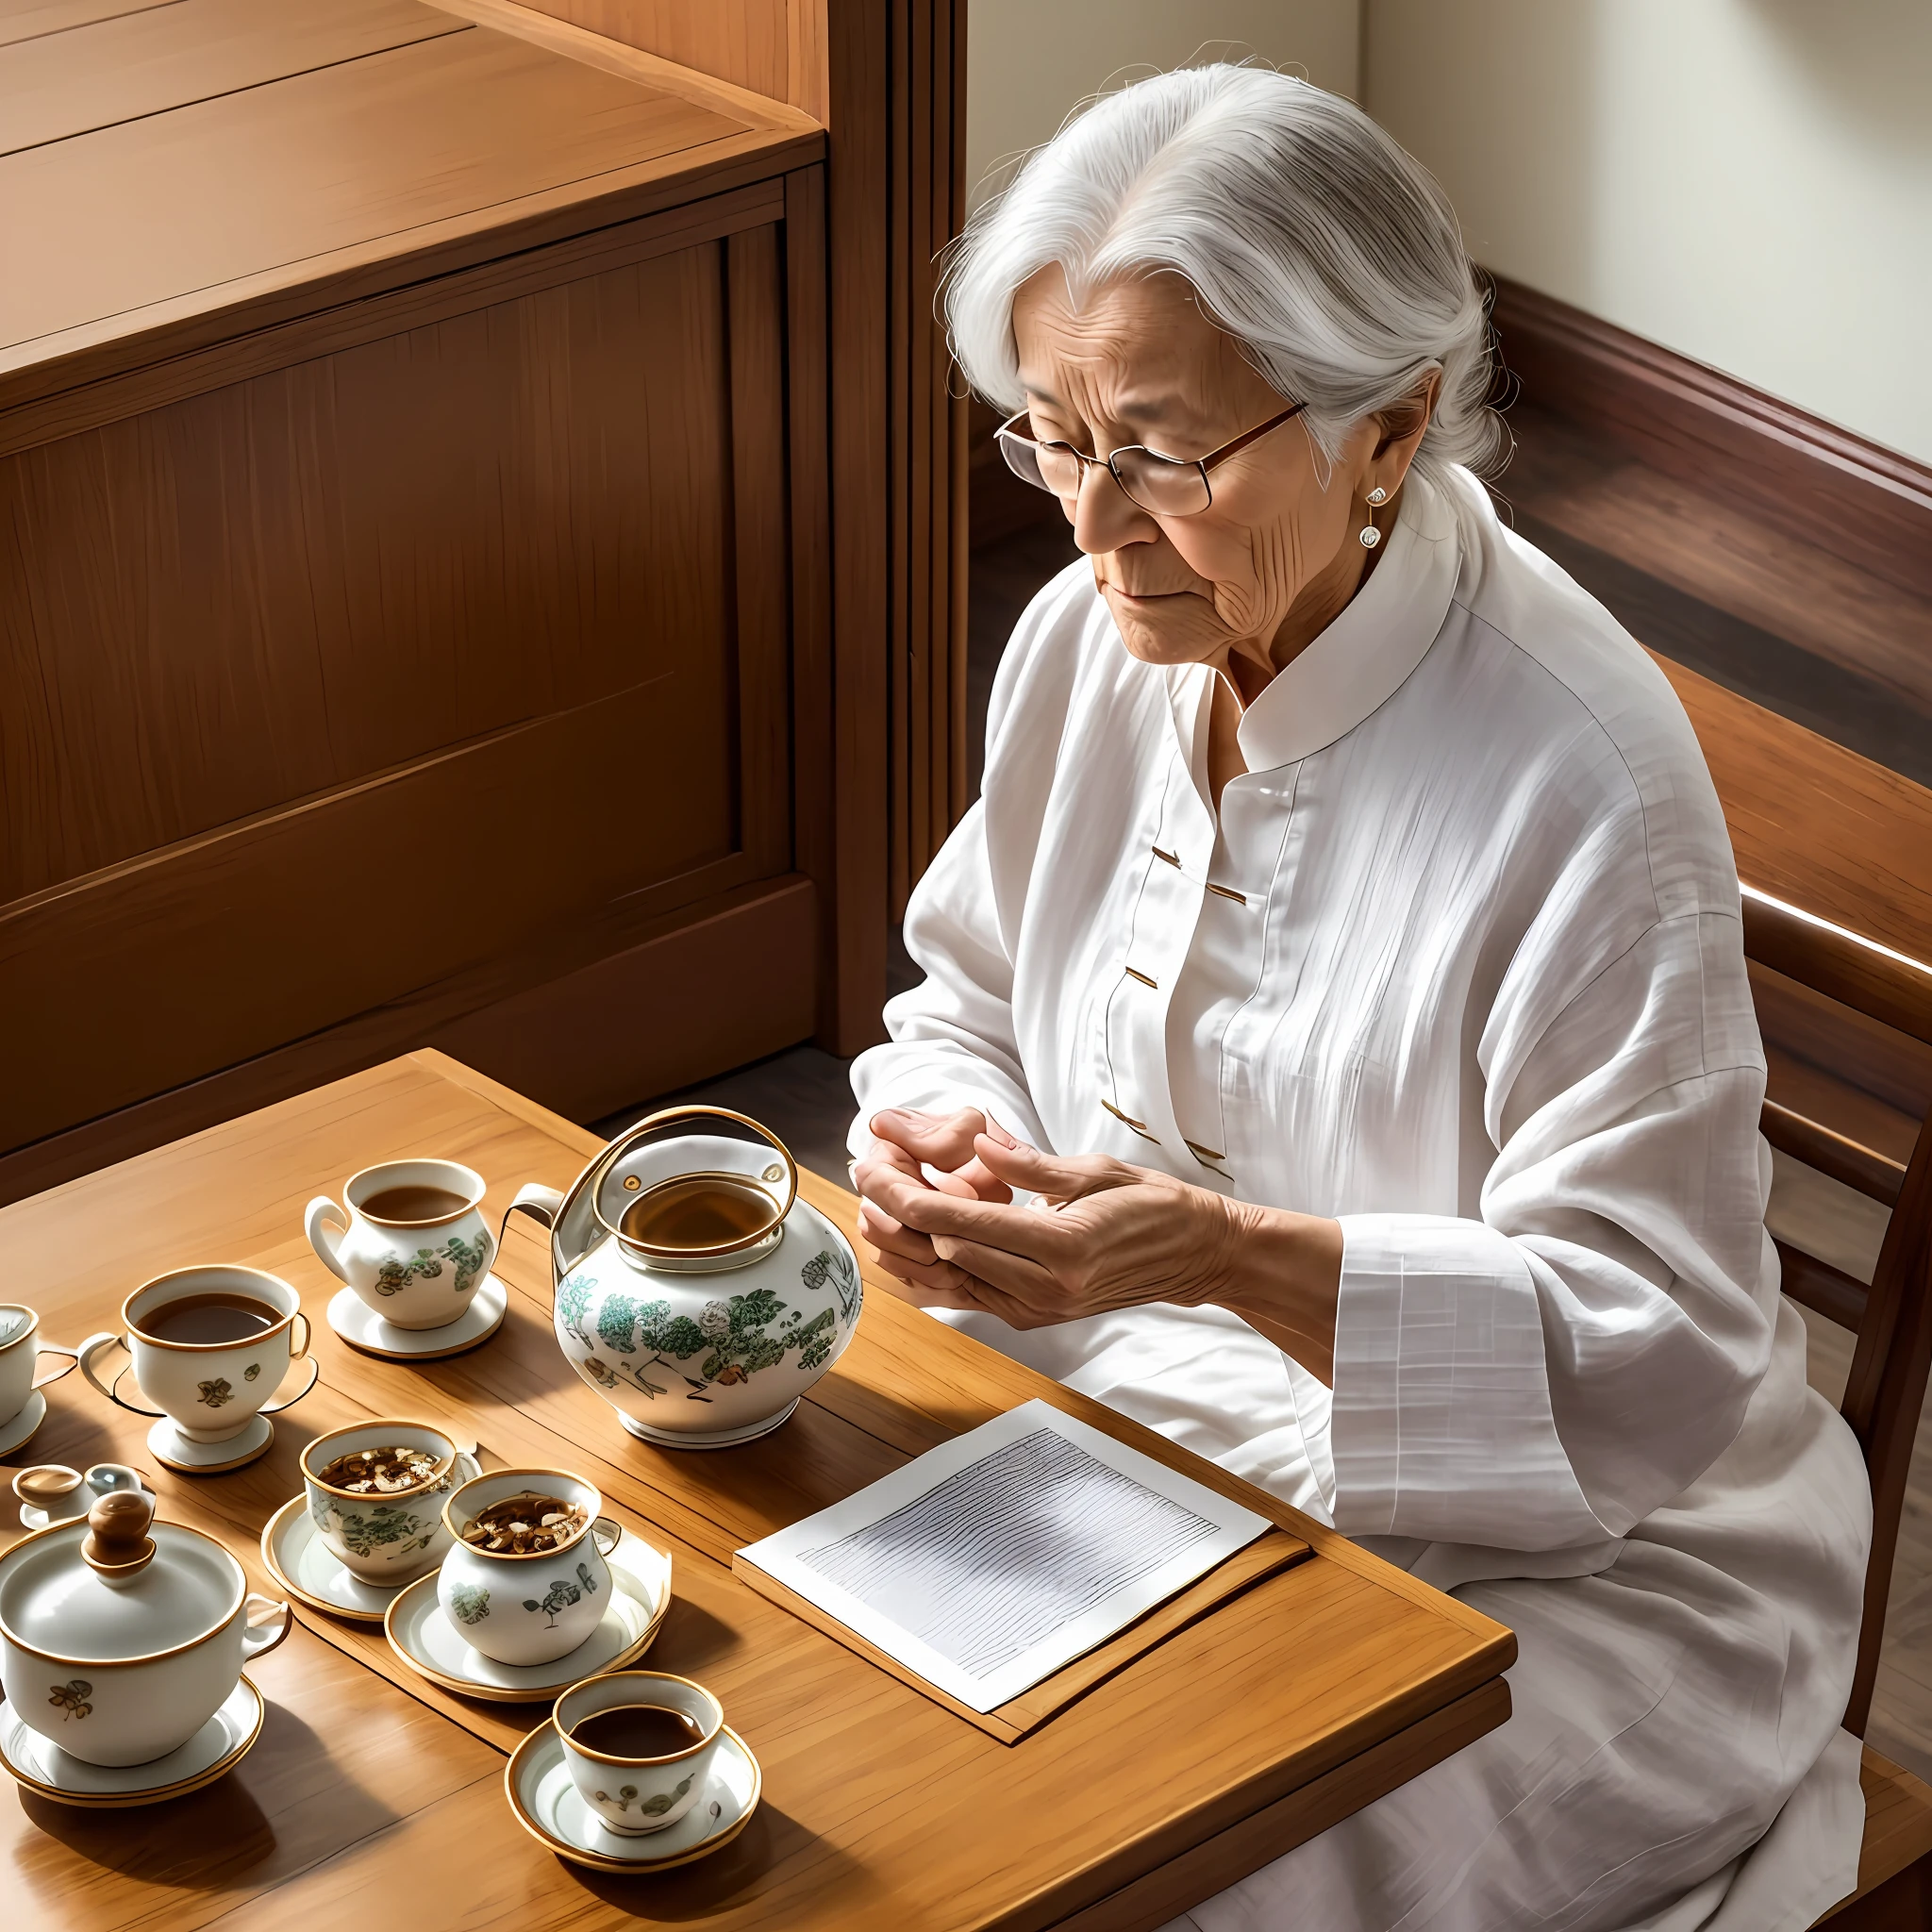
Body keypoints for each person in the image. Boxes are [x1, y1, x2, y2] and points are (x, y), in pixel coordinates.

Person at [847, 65, 1871, 1932]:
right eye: (1050, 436)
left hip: (1591, 1569)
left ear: (1387, 431)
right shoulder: (1093, 635)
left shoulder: (1580, 780)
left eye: (1160, 446)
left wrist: (1221, 1255)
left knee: (1148, 1870)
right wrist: (949, 1145)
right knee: (815, 1731)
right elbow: (966, 990)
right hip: (1135, 1428)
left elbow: (1641, 1353)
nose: (1095, 521)